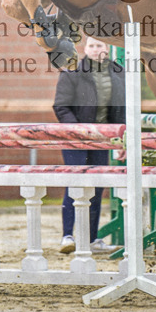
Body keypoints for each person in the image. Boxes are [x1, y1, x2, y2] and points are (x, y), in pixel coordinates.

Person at [53, 36, 124, 255]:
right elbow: (61, 107)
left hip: (102, 140)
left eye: (99, 45)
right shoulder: (72, 70)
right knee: (76, 184)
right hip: (76, 139)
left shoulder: (119, 72)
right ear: (85, 48)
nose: (95, 49)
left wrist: (120, 140)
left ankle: (92, 239)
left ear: (107, 48)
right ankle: (68, 236)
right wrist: (79, 132)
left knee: (96, 188)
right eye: (91, 45)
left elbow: (122, 108)